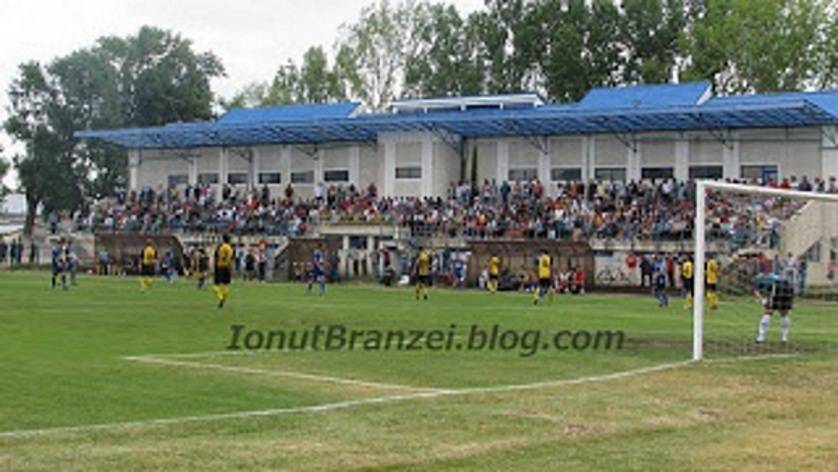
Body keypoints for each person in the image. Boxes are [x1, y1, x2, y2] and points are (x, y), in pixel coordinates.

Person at [754, 273, 794, 343]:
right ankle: (784, 338)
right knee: (784, 313)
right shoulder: (767, 277)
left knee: (768, 312)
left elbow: (756, 292)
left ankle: (761, 337)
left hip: (775, 287)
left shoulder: (758, 281)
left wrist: (762, 300)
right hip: (787, 286)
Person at [213, 234, 234, 308]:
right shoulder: (230, 248)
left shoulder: (221, 247)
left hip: (220, 267)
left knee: (216, 285)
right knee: (225, 285)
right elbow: (231, 259)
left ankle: (221, 297)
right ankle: (224, 298)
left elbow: (217, 256)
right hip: (227, 267)